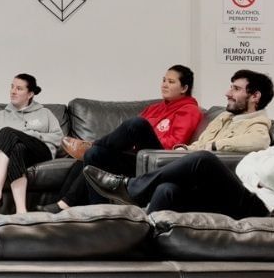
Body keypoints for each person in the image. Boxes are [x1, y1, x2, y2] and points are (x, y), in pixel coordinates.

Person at [84, 77, 274, 218]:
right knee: (167, 190)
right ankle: (146, 246)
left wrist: (260, 169)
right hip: (252, 194)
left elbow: (271, 171)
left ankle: (131, 188)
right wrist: (261, 168)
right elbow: (256, 161)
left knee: (202, 161)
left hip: (269, 210)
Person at [54, 65, 204, 209]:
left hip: (157, 160)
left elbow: (174, 144)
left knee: (137, 124)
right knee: (91, 155)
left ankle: (94, 144)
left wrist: (145, 137)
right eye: (164, 80)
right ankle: (69, 206)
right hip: (134, 157)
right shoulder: (154, 108)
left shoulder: (190, 110)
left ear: (184, 88)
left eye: (171, 82)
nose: (164, 85)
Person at [0, 73, 64, 214]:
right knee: (16, 147)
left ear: (30, 94)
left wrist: (32, 134)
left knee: (6, 132)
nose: (13, 91)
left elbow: (59, 138)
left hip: (40, 152)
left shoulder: (45, 113)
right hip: (17, 154)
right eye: (12, 87)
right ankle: (21, 211)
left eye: (19, 88)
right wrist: (2, 145)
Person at [186, 69, 274, 153]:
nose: (228, 94)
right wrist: (183, 149)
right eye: (231, 88)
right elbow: (201, 144)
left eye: (236, 89)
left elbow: (261, 141)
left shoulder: (257, 123)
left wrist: (215, 145)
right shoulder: (224, 116)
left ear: (255, 96)